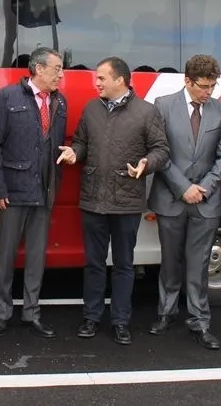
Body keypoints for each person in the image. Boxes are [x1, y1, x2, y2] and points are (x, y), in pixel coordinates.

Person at [57, 56, 170, 345]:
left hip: (126, 202)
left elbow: (161, 150)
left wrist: (147, 162)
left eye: (101, 79)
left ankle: (121, 321)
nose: (96, 83)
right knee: (93, 263)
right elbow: (81, 142)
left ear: (120, 80)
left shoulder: (146, 112)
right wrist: (74, 153)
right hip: (93, 199)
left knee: (124, 264)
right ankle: (91, 317)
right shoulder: (92, 108)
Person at [148, 54, 221, 350]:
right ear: (187, 81)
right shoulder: (163, 105)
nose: (208, 92)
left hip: (206, 201)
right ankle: (166, 312)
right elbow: (159, 151)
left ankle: (200, 320)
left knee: (198, 264)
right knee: (170, 260)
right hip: (171, 196)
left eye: (212, 86)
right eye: (203, 86)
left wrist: (204, 187)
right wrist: (183, 187)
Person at [0, 47, 68, 339]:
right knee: (5, 257)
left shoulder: (60, 101)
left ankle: (31, 313)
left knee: (37, 258)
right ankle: (1, 314)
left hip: (44, 191)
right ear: (38, 69)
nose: (61, 74)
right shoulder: (7, 97)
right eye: (57, 68)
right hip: (12, 191)